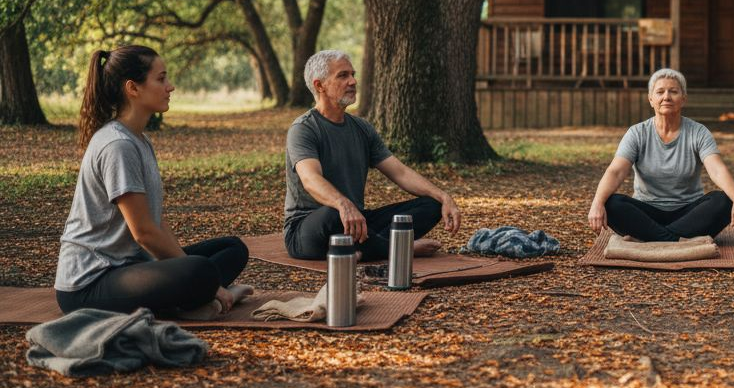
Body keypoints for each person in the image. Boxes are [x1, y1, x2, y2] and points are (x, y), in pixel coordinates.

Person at [56, 45, 249, 315]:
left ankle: (198, 294)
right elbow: (144, 232)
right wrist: (197, 275)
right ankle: (202, 298)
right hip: (89, 283)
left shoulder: (140, 141)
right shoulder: (117, 145)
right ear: (133, 88)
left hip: (129, 266)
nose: (170, 87)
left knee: (233, 248)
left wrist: (176, 265)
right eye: (161, 79)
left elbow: (155, 221)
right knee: (199, 270)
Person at [284, 49, 463, 260]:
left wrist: (443, 196)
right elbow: (310, 179)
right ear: (319, 85)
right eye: (343, 75)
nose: (352, 81)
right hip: (309, 229)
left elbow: (400, 172)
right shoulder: (304, 128)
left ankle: (368, 249)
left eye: (353, 74)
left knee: (431, 205)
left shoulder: (362, 128)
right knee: (331, 215)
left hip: (356, 222)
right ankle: (398, 248)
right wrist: (343, 204)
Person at [587, 69, 734, 242]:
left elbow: (717, 169)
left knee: (723, 201)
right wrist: (597, 203)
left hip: (689, 214)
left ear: (683, 98)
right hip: (646, 214)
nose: (667, 97)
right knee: (611, 204)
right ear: (651, 99)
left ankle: (652, 239)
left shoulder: (698, 132)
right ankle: (676, 240)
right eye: (660, 92)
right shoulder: (637, 133)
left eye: (673, 91)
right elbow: (616, 171)